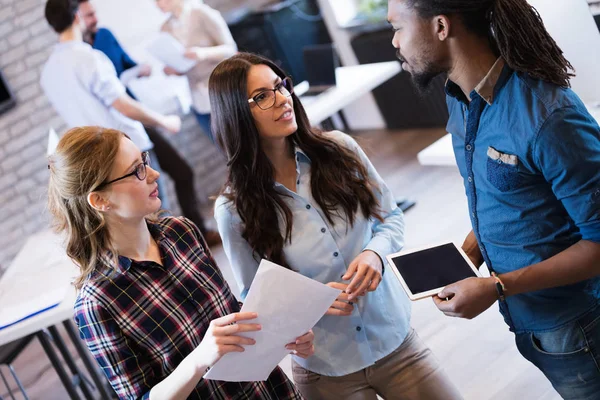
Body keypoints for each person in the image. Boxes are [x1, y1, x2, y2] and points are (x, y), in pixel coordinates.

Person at [210, 53, 462, 400]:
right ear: (235, 113)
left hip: (394, 342)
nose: (284, 98)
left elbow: (391, 218)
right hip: (325, 370)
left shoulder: (340, 150)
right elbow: (255, 301)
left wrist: (375, 253)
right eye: (263, 96)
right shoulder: (233, 209)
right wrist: (309, 303)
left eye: (280, 86)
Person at [387, 0, 600, 398]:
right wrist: (469, 254)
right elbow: (509, 199)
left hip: (578, 325)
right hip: (527, 320)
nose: (395, 42)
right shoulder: (459, 98)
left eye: (397, 27)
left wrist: (497, 286)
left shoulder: (551, 117)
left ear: (440, 27)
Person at [47, 125, 314, 399]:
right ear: (100, 200)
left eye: (145, 161)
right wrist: (199, 359)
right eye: (136, 170)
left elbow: (228, 312)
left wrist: (282, 330)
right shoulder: (97, 304)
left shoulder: (180, 231)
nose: (154, 175)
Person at [76, 0, 222, 246]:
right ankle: (163, 247)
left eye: (94, 13)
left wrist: (141, 69)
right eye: (88, 15)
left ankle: (196, 235)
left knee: (181, 172)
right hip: (112, 136)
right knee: (145, 194)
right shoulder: (79, 58)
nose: (94, 19)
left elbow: (128, 65)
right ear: (75, 18)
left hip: (136, 120)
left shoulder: (105, 36)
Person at [41, 0, 179, 220]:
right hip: (128, 148)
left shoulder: (47, 73)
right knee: (156, 215)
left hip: (99, 159)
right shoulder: (89, 58)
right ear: (77, 17)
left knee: (133, 222)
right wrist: (164, 121)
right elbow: (122, 104)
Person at [155, 0, 237, 141]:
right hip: (199, 101)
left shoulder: (201, 12)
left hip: (224, 91)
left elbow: (231, 49)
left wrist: (203, 53)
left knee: (243, 144)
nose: (159, 3)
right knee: (225, 148)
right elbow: (184, 66)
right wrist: (175, 70)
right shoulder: (165, 29)